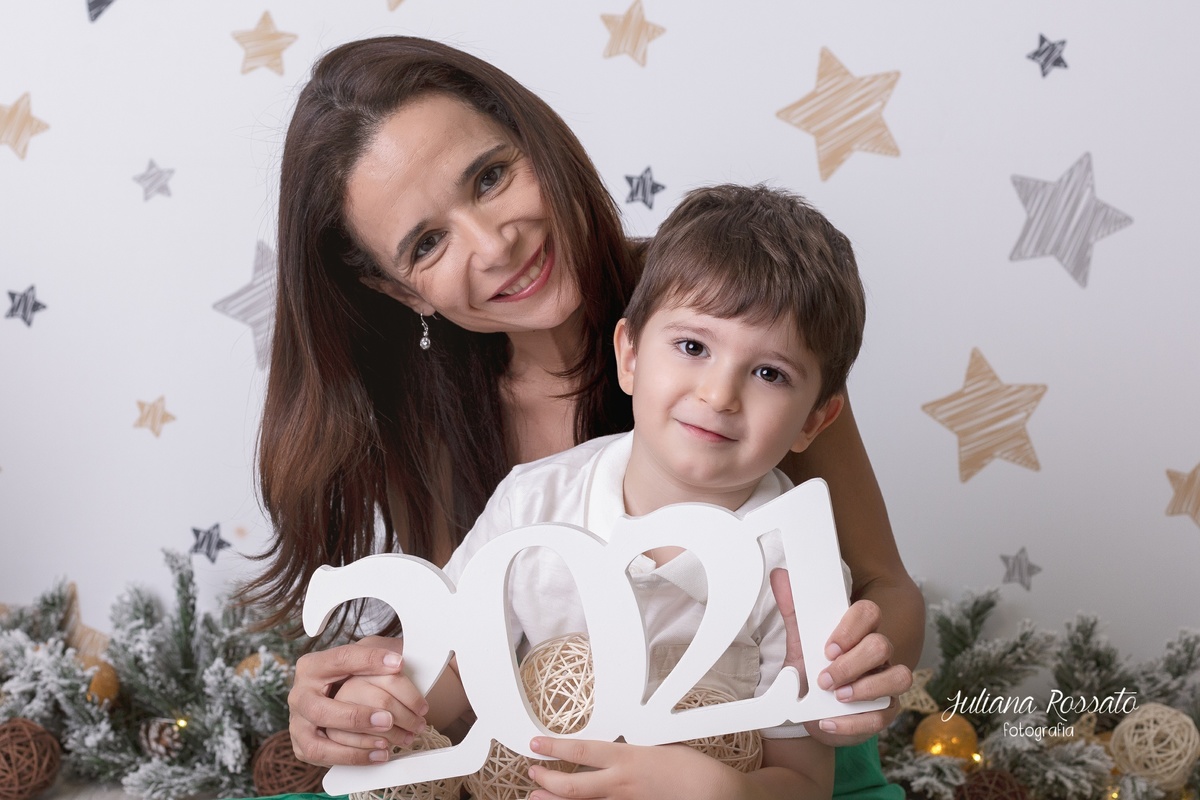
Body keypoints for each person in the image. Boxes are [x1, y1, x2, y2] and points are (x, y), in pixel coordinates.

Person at [240, 34, 921, 795]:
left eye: (492, 177)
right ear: (401, 290)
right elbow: (458, 660)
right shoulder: (431, 416)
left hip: (755, 759)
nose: (495, 245)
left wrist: (853, 673)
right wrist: (356, 710)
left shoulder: (731, 310)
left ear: (537, 140)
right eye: (428, 243)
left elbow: (884, 585)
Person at [335, 182, 872, 800]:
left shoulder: (795, 569)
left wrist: (722, 792)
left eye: (769, 373)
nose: (719, 395)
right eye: (692, 346)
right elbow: (456, 663)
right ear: (631, 356)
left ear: (813, 422)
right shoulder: (533, 504)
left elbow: (803, 782)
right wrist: (389, 701)